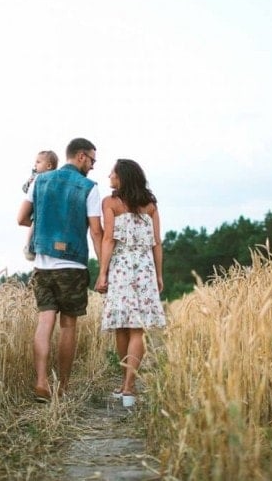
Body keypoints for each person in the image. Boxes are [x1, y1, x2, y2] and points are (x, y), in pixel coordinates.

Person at [17, 138, 103, 403]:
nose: (92, 166)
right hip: (73, 266)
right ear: (80, 156)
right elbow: (96, 231)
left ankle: (41, 382)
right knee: (68, 326)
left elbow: (21, 218)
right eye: (92, 160)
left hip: (42, 265)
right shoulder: (89, 187)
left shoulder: (39, 182)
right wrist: (103, 270)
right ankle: (62, 388)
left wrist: (44, 221)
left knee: (44, 323)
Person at [94, 159, 165, 407]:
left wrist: (102, 273)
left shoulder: (111, 203)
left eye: (113, 172)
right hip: (144, 267)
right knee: (136, 328)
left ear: (122, 177)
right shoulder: (151, 206)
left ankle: (128, 387)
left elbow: (108, 240)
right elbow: (157, 242)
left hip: (121, 267)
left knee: (123, 326)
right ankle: (128, 385)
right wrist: (158, 274)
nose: (109, 175)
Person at [21, 150, 59, 261]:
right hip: (37, 208)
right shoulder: (35, 177)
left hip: (45, 208)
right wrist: (29, 183)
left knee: (37, 225)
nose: (35, 165)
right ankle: (29, 245)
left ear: (48, 165)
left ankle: (31, 245)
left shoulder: (53, 178)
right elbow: (25, 189)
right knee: (34, 224)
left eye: (38, 162)